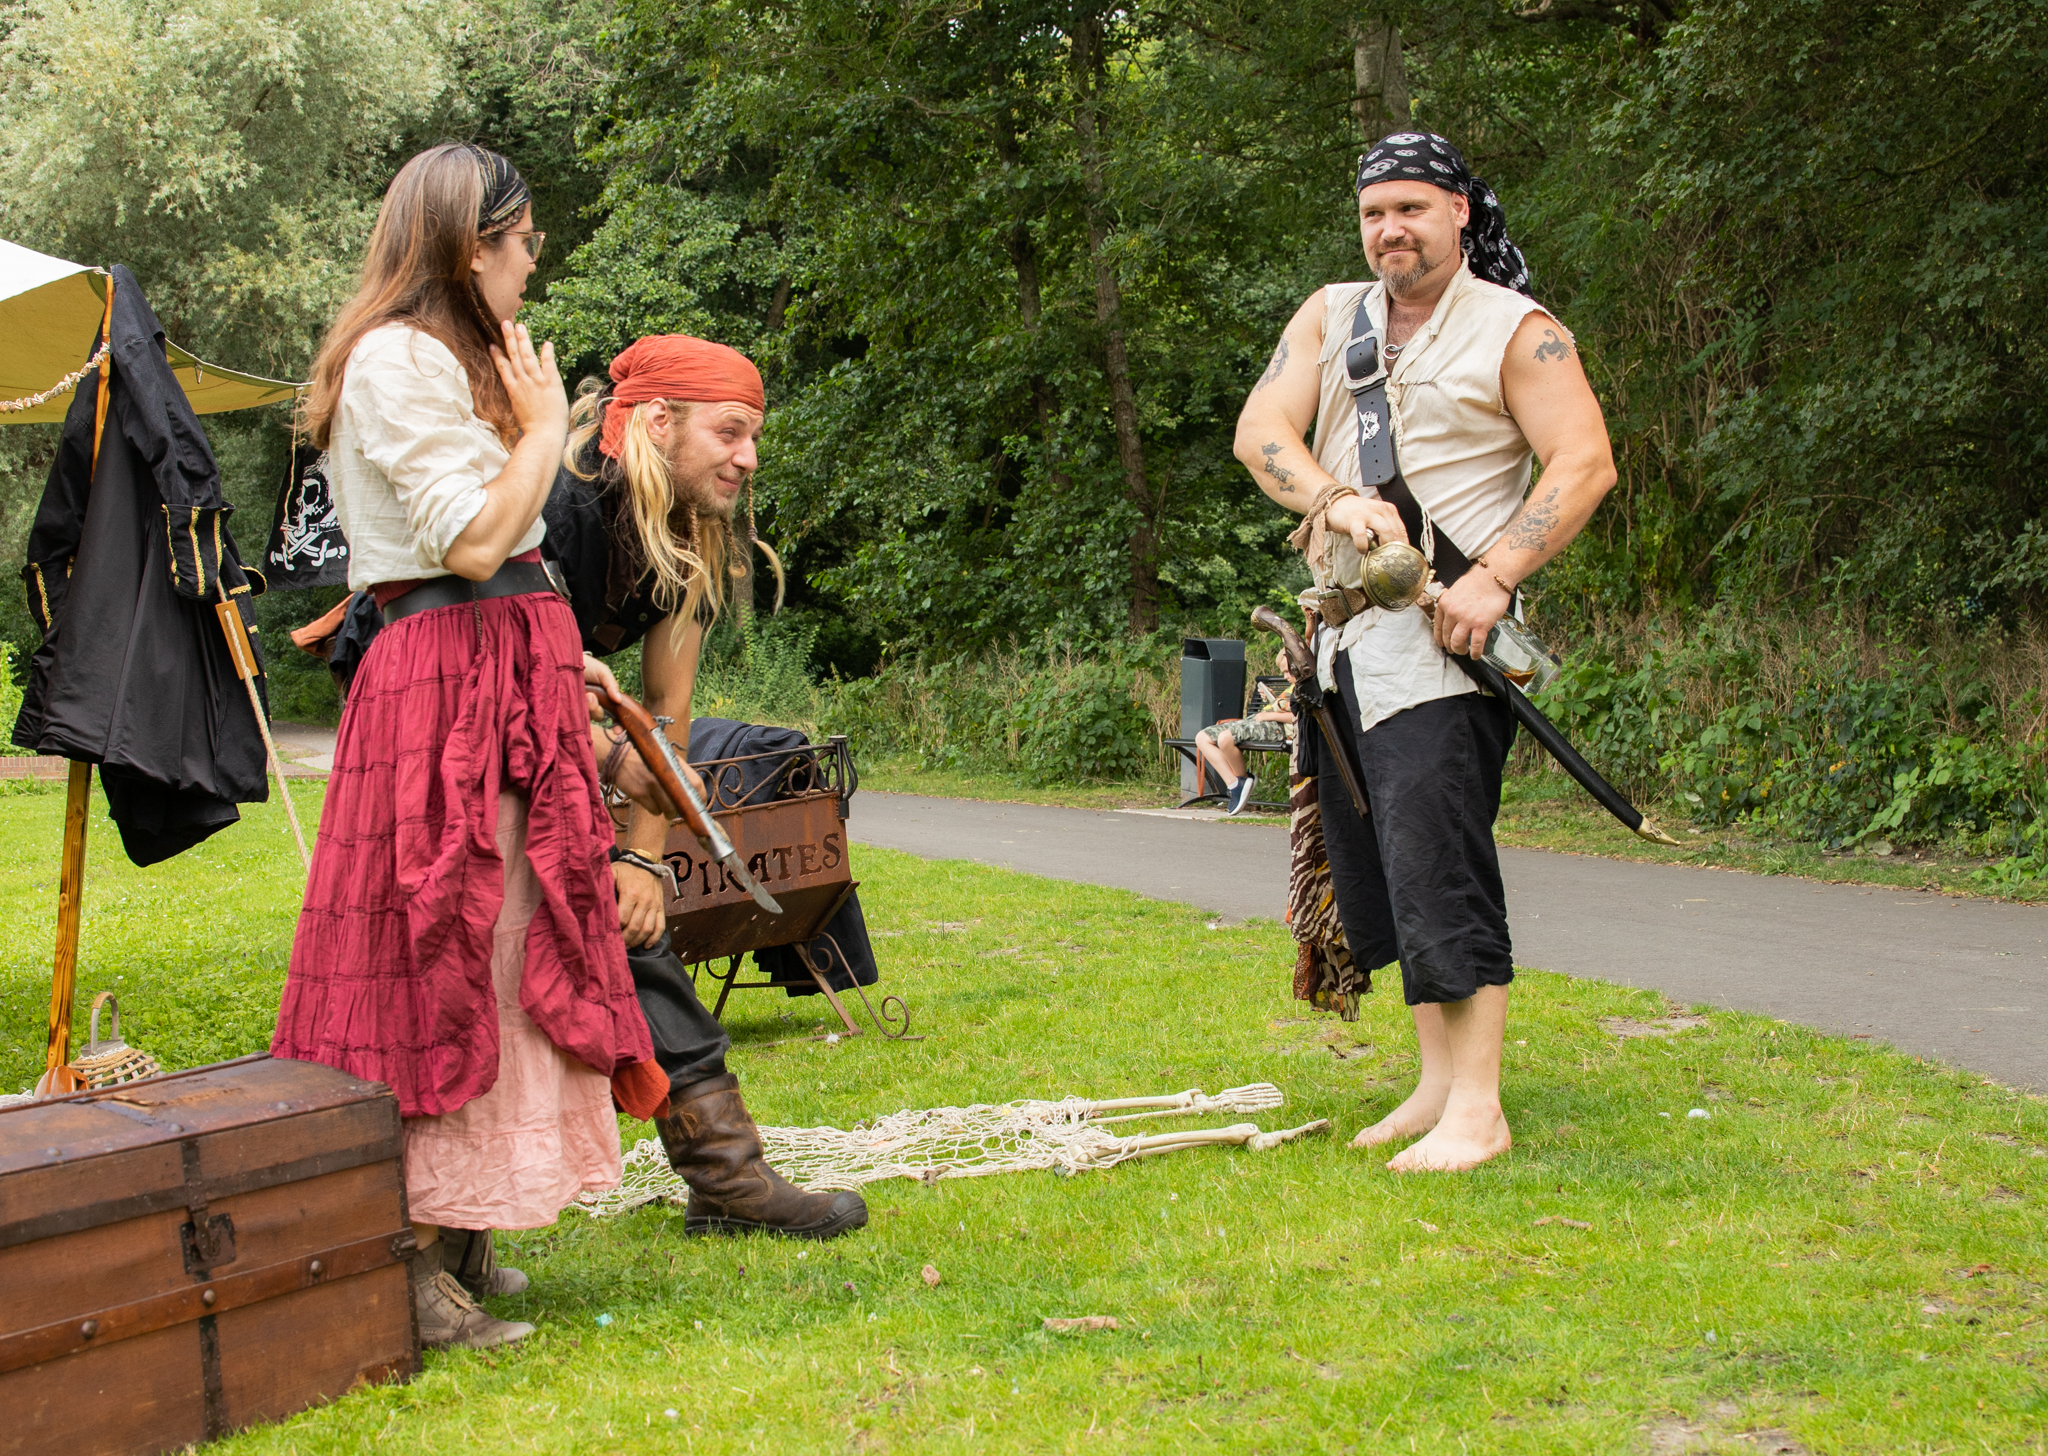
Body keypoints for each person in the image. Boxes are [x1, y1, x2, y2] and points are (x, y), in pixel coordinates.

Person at [271, 143, 667, 1349]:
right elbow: (470, 543)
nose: (533, 260)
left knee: (517, 939)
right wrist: (545, 429)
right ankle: (405, 1254)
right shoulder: (394, 358)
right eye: (522, 239)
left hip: (502, 674)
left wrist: (561, 651)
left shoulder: (453, 359)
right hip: (441, 687)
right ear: (466, 243)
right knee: (448, 940)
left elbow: (510, 560)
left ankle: (465, 1220)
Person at [1232, 131, 1617, 1172]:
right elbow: (1260, 429)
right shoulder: (1330, 315)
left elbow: (1583, 462)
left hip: (1446, 648)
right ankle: (1437, 1085)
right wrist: (1331, 496)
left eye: (1409, 207)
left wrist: (1493, 576)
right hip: (1342, 647)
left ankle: (1478, 1109)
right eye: (1373, 213)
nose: (1388, 229)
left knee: (1440, 866)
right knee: (1385, 873)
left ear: (1458, 211)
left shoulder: (1516, 328)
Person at [543, 333, 868, 1240]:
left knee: (621, 922)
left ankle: (726, 1182)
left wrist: (642, 860)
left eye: (753, 436)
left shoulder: (687, 531)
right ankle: (727, 1180)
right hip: (455, 715)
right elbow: (516, 678)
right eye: (729, 433)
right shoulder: (561, 505)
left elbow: (666, 714)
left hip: (555, 721)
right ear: (657, 421)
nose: (748, 457)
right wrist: (610, 805)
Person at [1193, 650, 1297, 815]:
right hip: (1259, 720)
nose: (1285, 676)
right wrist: (1272, 699)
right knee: (1202, 737)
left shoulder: (1305, 688)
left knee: (1225, 738)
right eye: (1283, 672)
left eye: (1287, 671)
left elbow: (1298, 715)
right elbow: (1283, 706)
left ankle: (1242, 782)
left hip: (1278, 727)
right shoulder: (1293, 686)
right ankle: (1235, 784)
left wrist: (1269, 715)